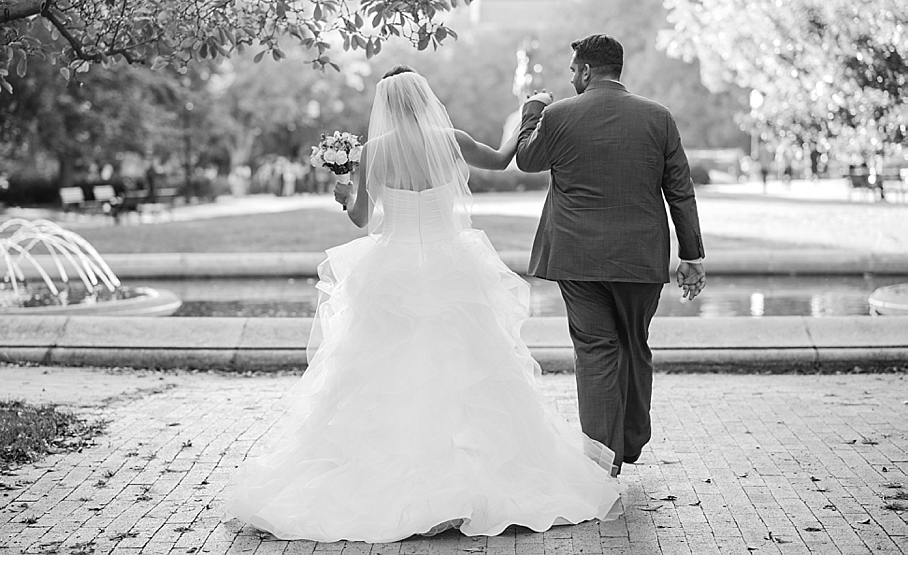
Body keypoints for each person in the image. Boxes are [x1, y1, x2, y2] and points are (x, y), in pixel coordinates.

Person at [224, 66, 625, 543]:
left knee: (376, 368)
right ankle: (469, 483)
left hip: (390, 270)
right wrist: (527, 112)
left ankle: (397, 480)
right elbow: (501, 162)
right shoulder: (449, 138)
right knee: (468, 365)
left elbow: (360, 219)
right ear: (424, 99)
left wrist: (343, 194)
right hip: (449, 263)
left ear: (387, 108)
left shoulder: (373, 151)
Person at [516, 34, 706, 477]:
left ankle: (604, 459)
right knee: (634, 345)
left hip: (578, 258)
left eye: (572, 70)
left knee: (596, 349)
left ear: (585, 71)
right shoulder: (658, 117)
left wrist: (532, 111)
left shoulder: (558, 114)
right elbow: (680, 189)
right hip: (640, 259)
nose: (570, 77)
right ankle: (633, 438)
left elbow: (526, 159)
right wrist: (691, 255)